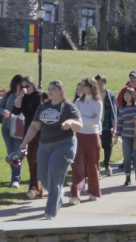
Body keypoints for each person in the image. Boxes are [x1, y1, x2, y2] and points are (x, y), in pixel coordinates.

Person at [20, 81, 82, 220]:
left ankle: (50, 213)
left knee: (55, 175)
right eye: (49, 89)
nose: (50, 91)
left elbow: (79, 125)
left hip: (64, 144)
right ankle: (59, 194)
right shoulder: (43, 107)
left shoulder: (68, 107)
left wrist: (71, 123)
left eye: (54, 89)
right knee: (42, 176)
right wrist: (24, 143)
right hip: (45, 145)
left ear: (61, 91)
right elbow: (34, 127)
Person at [70, 78, 103, 204]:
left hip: (92, 136)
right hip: (79, 135)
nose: (82, 88)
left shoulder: (98, 102)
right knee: (77, 164)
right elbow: (74, 118)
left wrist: (82, 119)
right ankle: (75, 193)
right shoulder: (79, 101)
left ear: (91, 87)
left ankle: (94, 191)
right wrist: (86, 119)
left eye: (85, 86)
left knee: (92, 165)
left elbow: (95, 121)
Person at [13, 76, 43, 198]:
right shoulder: (24, 97)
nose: (25, 89)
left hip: (40, 132)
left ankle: (34, 188)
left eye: (27, 86)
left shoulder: (39, 96)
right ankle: (37, 190)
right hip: (28, 132)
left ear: (33, 85)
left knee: (35, 160)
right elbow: (15, 111)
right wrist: (20, 95)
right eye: (23, 87)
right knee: (31, 160)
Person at [0, 75, 24, 188]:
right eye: (20, 84)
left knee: (17, 153)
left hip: (19, 129)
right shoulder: (8, 95)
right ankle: (14, 175)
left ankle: (15, 179)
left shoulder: (26, 97)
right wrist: (3, 111)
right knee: (10, 153)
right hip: (7, 128)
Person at [115, 88, 136, 186]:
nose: (126, 96)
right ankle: (127, 177)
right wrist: (116, 137)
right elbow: (119, 124)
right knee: (127, 157)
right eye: (125, 95)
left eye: (128, 94)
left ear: (133, 95)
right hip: (126, 136)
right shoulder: (122, 109)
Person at [94, 75, 118, 177]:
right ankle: (97, 168)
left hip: (107, 125)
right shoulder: (93, 96)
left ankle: (107, 164)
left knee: (107, 146)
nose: (100, 84)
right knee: (96, 147)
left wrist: (114, 126)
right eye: (98, 82)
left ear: (104, 83)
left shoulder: (109, 96)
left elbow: (114, 112)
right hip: (95, 126)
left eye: (101, 82)